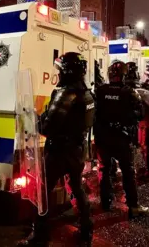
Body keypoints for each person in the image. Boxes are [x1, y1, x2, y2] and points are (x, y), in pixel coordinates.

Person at [19, 52, 95, 246]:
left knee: (41, 193)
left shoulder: (65, 94)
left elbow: (47, 127)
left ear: (66, 72)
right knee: (78, 189)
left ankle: (39, 235)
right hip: (78, 150)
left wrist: (34, 117)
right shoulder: (87, 93)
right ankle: (86, 230)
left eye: (60, 70)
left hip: (58, 152)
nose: (58, 74)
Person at [94, 60, 149, 217]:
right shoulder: (130, 92)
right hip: (122, 138)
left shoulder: (100, 90)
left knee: (104, 171)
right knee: (127, 172)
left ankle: (105, 203)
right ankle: (133, 206)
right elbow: (141, 114)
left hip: (103, 138)